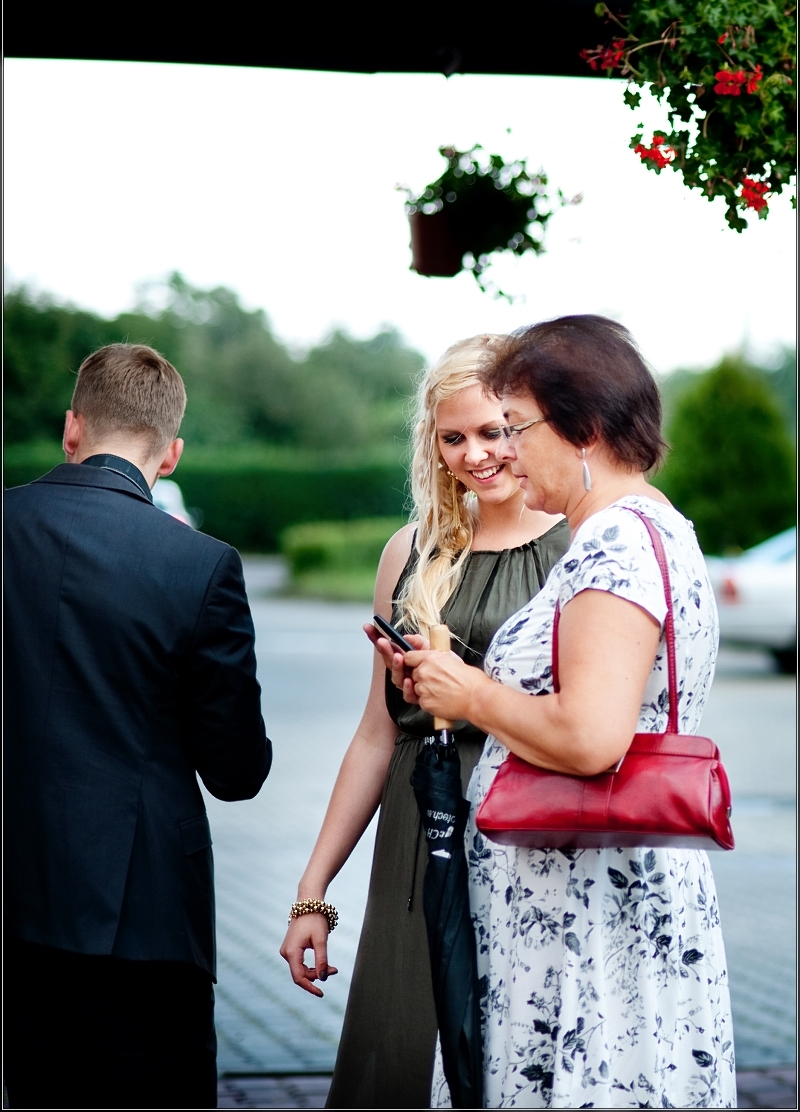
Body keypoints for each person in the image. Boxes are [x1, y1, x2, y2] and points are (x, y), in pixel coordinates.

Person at [379, 315, 736, 1109]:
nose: (505, 450)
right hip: (598, 888)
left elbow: (590, 738)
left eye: (518, 427)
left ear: (586, 430)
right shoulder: (651, 527)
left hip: (586, 908)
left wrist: (469, 693)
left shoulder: (615, 542)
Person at [280, 335, 569, 1109]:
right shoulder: (410, 552)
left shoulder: (582, 545)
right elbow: (376, 733)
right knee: (407, 1047)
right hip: (419, 835)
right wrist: (313, 893)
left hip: (534, 836)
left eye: (496, 432)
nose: (477, 455)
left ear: (530, 426)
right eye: (454, 437)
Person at [4, 343, 272, 1111]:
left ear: (71, 429)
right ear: (172, 451)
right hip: (141, 909)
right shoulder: (201, 565)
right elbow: (236, 772)